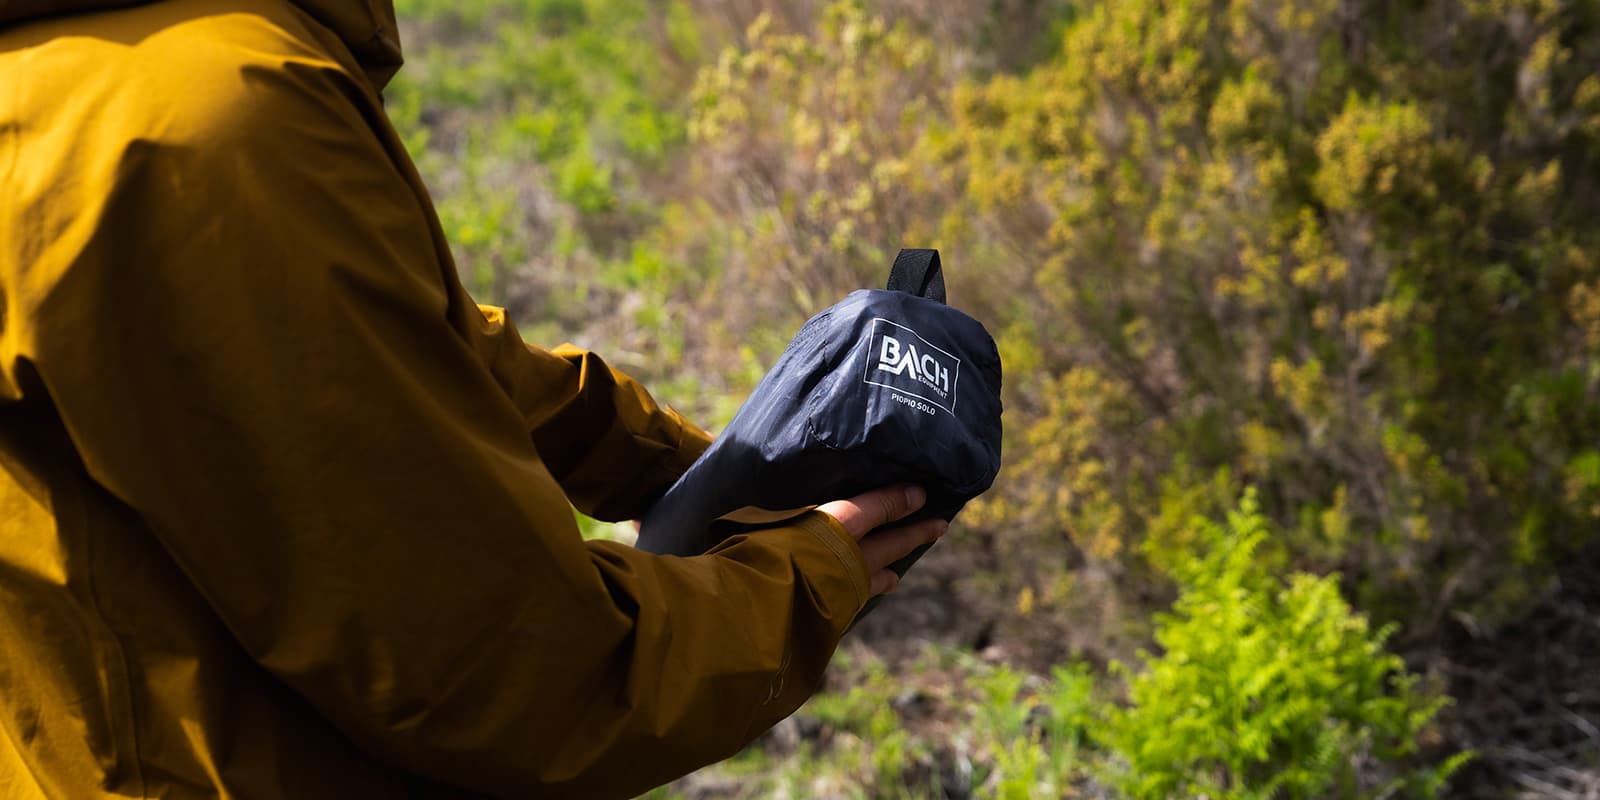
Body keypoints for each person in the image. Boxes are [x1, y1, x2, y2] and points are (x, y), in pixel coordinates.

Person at [0, 1, 946, 797]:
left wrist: (703, 463)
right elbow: (512, 679)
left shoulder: (68, 77)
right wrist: (813, 574)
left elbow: (403, 342)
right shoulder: (208, 123)